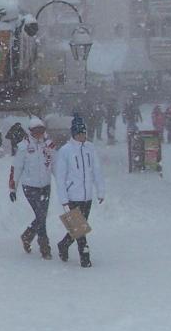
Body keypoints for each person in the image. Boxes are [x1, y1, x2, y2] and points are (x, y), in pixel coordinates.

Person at [53, 114, 105, 268]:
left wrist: (100, 191)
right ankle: (85, 256)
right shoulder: (65, 151)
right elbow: (60, 177)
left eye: (84, 133)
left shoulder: (90, 148)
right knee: (80, 230)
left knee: (79, 228)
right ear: (74, 134)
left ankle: (63, 244)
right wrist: (64, 199)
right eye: (79, 133)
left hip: (86, 196)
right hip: (72, 196)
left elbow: (96, 171)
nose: (82, 136)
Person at [9, 117, 56, 259]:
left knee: (42, 216)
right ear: (30, 132)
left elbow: (54, 165)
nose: (39, 134)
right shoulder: (24, 147)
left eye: (41, 131)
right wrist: (13, 188)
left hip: (45, 186)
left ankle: (27, 235)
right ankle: (44, 246)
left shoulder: (48, 146)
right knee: (41, 215)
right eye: (36, 131)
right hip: (30, 186)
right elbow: (16, 168)